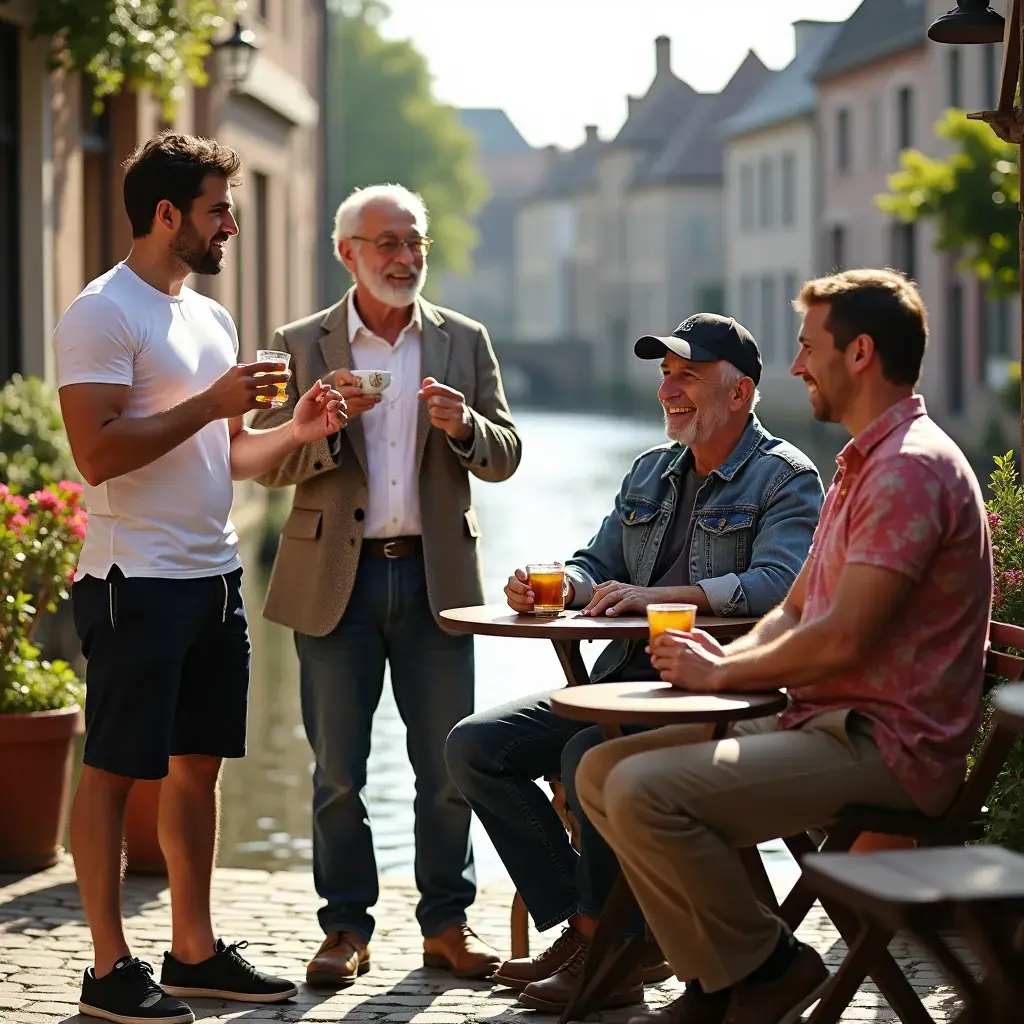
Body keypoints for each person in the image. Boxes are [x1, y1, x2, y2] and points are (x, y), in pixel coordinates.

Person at [576, 269, 994, 1024]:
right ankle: (718, 980)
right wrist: (723, 670)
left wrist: (724, 667)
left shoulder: (909, 470)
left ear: (859, 352)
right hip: (825, 721)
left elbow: (841, 637)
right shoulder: (863, 462)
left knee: (645, 791)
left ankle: (769, 968)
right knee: (603, 769)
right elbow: (797, 606)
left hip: (886, 745)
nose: (796, 366)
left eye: (809, 347)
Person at [444, 314, 824, 1013]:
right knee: (474, 746)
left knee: (594, 747)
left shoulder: (786, 478)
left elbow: (779, 584)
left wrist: (662, 598)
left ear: (740, 393)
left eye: (688, 375)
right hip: (624, 682)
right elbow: (599, 564)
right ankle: (598, 927)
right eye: (664, 375)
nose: (669, 390)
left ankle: (609, 943)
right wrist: (557, 584)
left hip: (713, 696)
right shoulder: (650, 470)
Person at [54, 131, 346, 1024]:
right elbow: (96, 454)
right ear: (168, 213)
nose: (231, 225)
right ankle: (109, 969)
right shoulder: (101, 313)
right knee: (109, 772)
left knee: (198, 770)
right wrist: (212, 403)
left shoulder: (209, 318)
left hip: (213, 576)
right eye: (219, 209)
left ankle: (193, 951)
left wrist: (293, 430)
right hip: (132, 577)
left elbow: (231, 458)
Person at [251, 184, 522, 987]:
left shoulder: (463, 340)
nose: (405, 258)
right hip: (337, 581)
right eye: (387, 244)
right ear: (349, 253)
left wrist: (465, 427)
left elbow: (506, 454)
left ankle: (446, 924)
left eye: (415, 244)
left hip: (439, 580)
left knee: (448, 770)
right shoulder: (300, 342)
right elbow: (265, 460)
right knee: (339, 771)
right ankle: (344, 929)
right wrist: (317, 432)